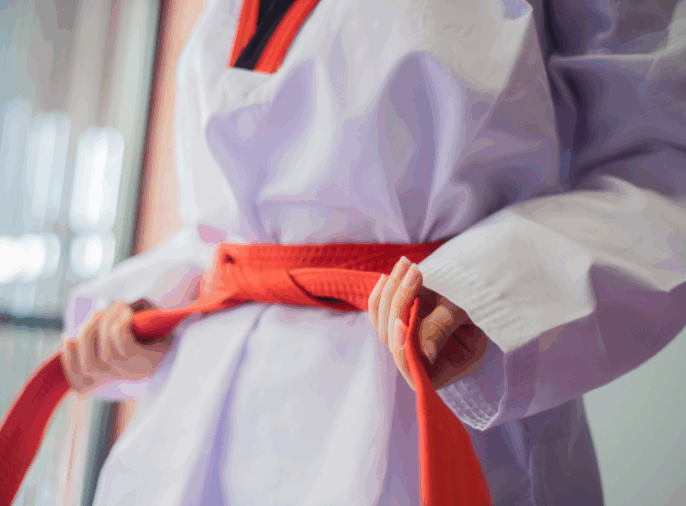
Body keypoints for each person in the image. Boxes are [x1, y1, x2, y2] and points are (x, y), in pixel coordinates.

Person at [60, 0, 686, 504]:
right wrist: (152, 306)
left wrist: (490, 292)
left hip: (420, 396)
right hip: (191, 429)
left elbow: (662, 173)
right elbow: (254, 219)